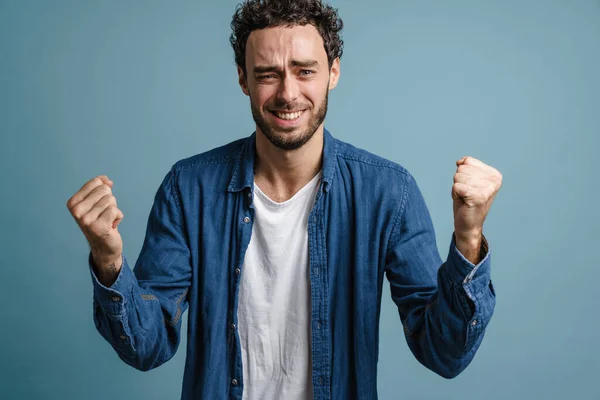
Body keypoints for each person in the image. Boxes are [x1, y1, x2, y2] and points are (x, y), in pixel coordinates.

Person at [66, 0, 503, 399]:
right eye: (268, 74)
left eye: (305, 70)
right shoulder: (188, 187)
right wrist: (109, 261)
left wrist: (468, 239)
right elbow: (148, 346)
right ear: (243, 79)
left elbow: (443, 353)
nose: (288, 93)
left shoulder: (389, 192)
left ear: (334, 71)